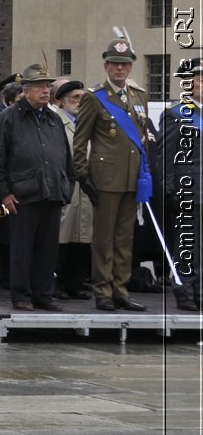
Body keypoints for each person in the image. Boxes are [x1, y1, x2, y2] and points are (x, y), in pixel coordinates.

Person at [72, 37, 154, 312]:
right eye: (115, 64)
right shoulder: (94, 98)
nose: (120, 69)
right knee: (104, 238)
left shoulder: (139, 95)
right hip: (105, 177)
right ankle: (103, 291)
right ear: (106, 66)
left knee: (125, 238)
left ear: (131, 67)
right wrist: (83, 175)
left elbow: (141, 138)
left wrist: (144, 172)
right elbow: (80, 140)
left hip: (132, 176)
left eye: (125, 64)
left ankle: (121, 289)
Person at [0, 62, 76, 313]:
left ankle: (43, 294)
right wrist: (4, 193)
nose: (45, 91)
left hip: (52, 192)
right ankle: (22, 295)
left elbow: (65, 157)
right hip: (23, 194)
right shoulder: (9, 118)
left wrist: (66, 188)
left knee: (48, 249)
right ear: (25, 90)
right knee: (22, 249)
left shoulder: (53, 118)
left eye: (47, 86)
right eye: (39, 86)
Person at [156, 59, 201, 311]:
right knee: (187, 245)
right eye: (200, 79)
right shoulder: (176, 114)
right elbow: (165, 155)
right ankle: (185, 293)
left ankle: (199, 292)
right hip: (188, 190)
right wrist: (170, 189)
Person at [50, 80, 95, 299]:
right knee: (62, 236)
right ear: (62, 101)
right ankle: (55, 282)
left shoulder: (88, 122)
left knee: (82, 236)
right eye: (75, 98)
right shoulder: (56, 121)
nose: (79, 102)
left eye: (82, 98)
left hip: (86, 187)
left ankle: (75, 283)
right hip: (66, 185)